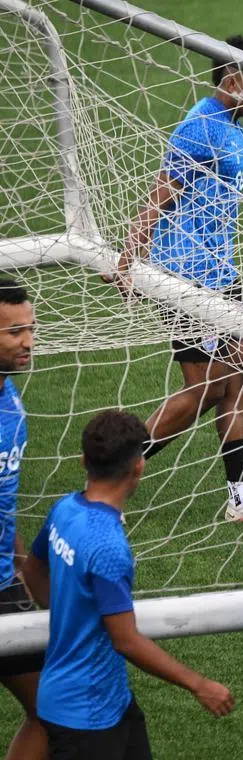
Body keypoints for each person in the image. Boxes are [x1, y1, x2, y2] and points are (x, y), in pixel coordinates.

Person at [111, 35, 243, 522]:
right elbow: (161, 192)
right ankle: (114, 477)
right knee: (206, 386)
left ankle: (242, 495)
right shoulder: (201, 126)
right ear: (232, 79)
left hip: (220, 274)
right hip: (186, 277)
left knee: (239, 380)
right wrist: (129, 258)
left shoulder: (231, 128)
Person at [20, 410, 234, 759]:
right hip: (87, 715)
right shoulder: (108, 547)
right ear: (139, 466)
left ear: (82, 460)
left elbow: (31, 571)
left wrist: (69, 619)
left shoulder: (64, 510)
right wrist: (199, 684)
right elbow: (126, 640)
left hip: (104, 698)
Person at [0, 279, 44, 759]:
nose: (28, 342)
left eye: (30, 329)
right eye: (14, 333)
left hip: (3, 585)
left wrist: (21, 566)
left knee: (52, 709)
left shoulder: (12, 403)